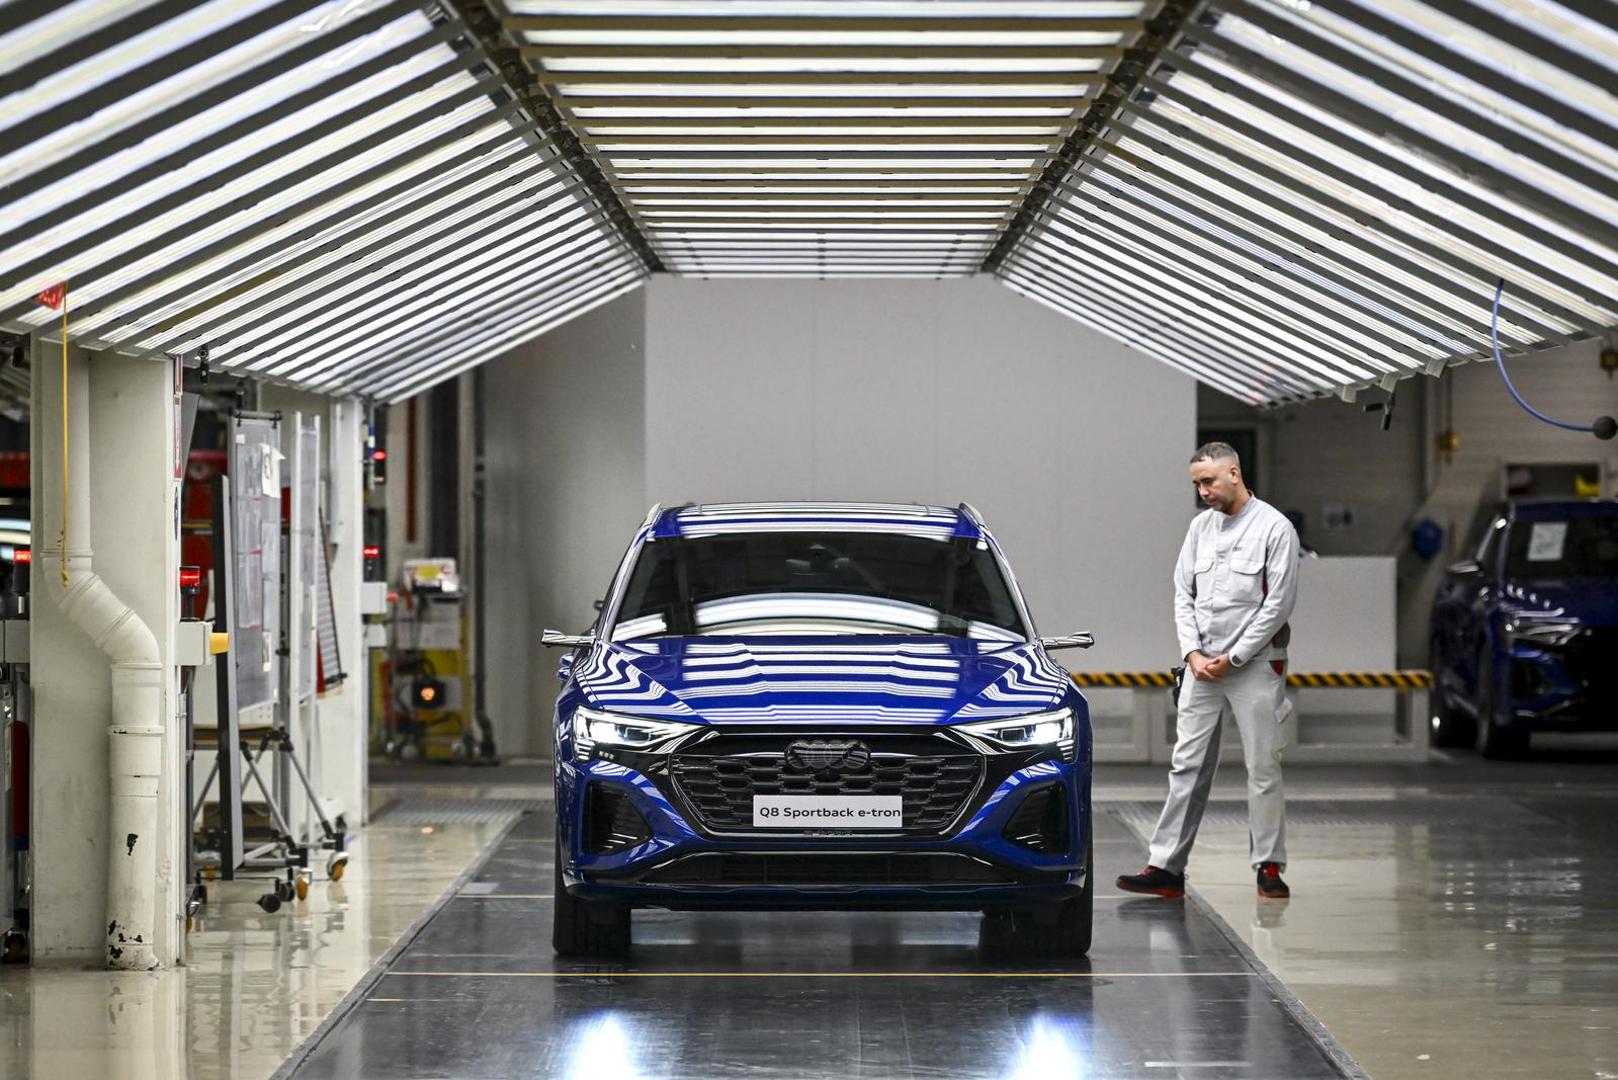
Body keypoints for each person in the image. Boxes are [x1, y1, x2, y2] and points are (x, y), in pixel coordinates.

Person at [1117, 442, 1300, 901]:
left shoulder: (1275, 528)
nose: (1203, 492)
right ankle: (1166, 867)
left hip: (1256, 666)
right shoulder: (1199, 528)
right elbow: (1183, 595)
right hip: (1202, 669)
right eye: (1197, 484)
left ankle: (1268, 867)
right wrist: (1192, 654)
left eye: (1209, 481)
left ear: (1234, 473)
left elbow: (1278, 605)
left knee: (1263, 767)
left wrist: (1235, 657)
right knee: (1187, 766)